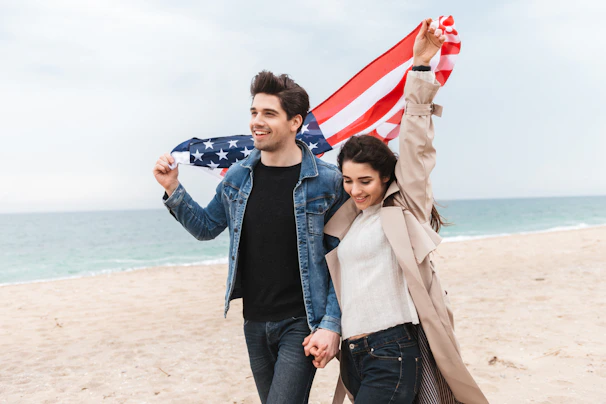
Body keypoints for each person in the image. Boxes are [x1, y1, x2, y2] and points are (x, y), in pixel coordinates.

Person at [304, 18, 489, 403]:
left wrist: (420, 67)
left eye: (365, 182)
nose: (355, 190)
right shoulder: (347, 224)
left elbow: (417, 144)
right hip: (354, 357)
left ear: (387, 178)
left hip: (392, 348)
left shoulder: (404, 209)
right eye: (348, 181)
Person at [153, 71, 347, 403]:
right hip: (254, 323)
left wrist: (331, 324)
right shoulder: (239, 176)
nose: (257, 121)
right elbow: (206, 227)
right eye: (254, 112)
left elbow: (344, 260)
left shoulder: (328, 182)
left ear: (294, 122)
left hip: (302, 322)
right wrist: (173, 188)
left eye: (268, 114)